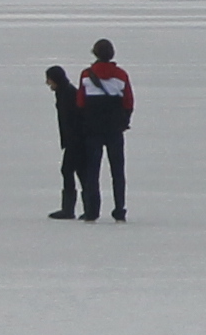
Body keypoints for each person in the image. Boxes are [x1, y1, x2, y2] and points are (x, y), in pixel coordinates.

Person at [70, 37, 135, 219]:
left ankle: (92, 211)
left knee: (92, 170)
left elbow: (80, 102)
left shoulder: (86, 75)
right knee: (117, 170)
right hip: (114, 129)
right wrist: (124, 121)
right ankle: (120, 209)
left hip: (92, 128)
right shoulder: (121, 75)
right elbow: (128, 101)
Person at [41, 63, 83, 219]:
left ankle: (69, 209)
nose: (47, 83)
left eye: (49, 80)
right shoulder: (64, 92)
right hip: (74, 140)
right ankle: (84, 208)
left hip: (76, 140)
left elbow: (74, 120)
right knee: (78, 172)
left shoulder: (67, 94)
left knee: (70, 171)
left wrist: (72, 140)